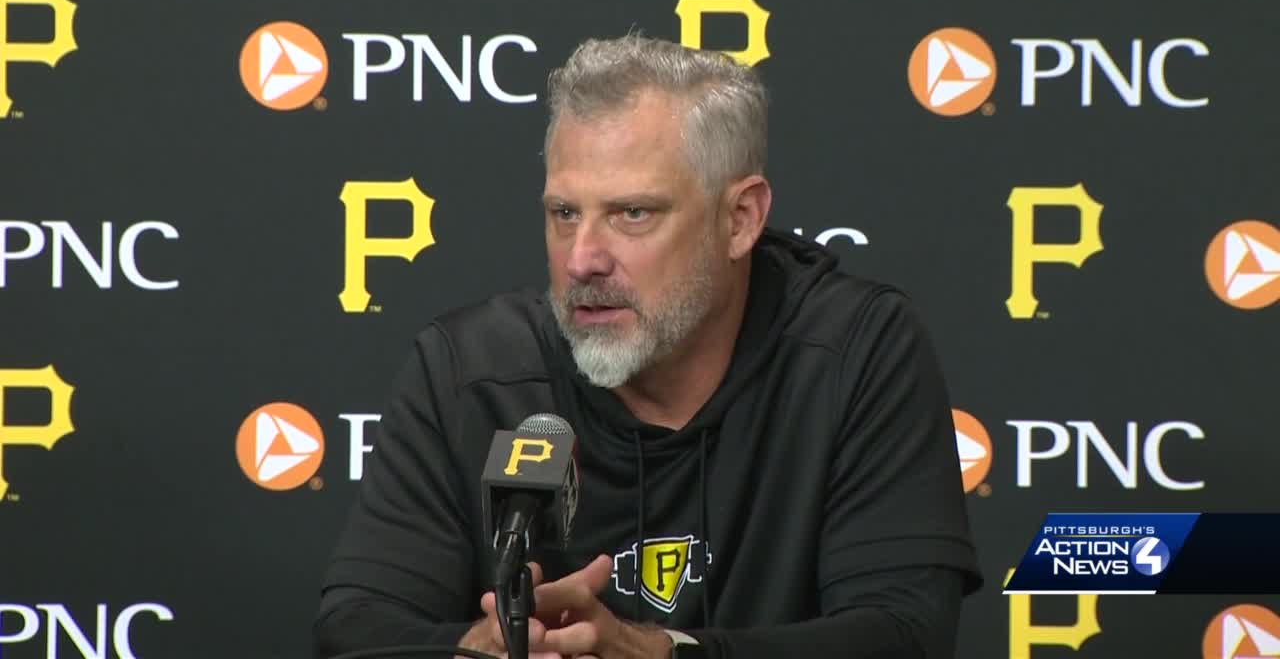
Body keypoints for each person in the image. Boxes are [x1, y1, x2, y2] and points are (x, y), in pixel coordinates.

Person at [313, 33, 983, 659]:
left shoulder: (853, 350)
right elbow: (356, 627)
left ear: (740, 219)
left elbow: (904, 631)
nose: (582, 261)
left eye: (633, 214)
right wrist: (489, 649)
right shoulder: (471, 370)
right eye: (564, 213)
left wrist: (662, 653)